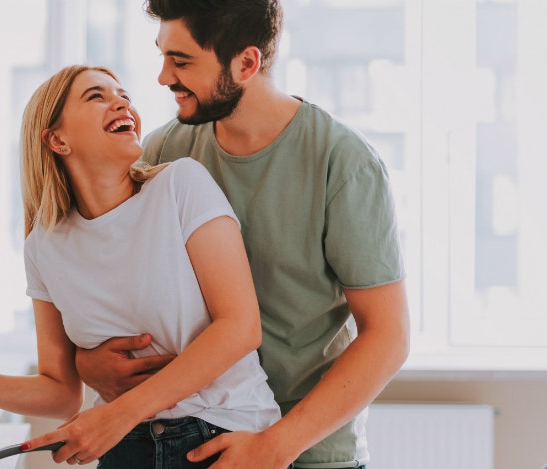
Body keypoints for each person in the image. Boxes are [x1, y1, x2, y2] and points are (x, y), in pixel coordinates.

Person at [67, 1, 411, 468]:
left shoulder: (343, 164)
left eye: (182, 61)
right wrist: (86, 361)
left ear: (246, 63)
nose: (163, 77)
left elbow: (387, 336)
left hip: (306, 451)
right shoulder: (165, 150)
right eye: (164, 56)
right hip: (195, 441)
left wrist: (274, 446)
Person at [0, 64, 281, 468]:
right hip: (124, 447)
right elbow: (60, 391)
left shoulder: (181, 185)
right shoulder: (43, 248)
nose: (121, 103)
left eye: (124, 96)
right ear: (57, 139)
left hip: (225, 436)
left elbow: (240, 327)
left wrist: (118, 413)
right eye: (96, 96)